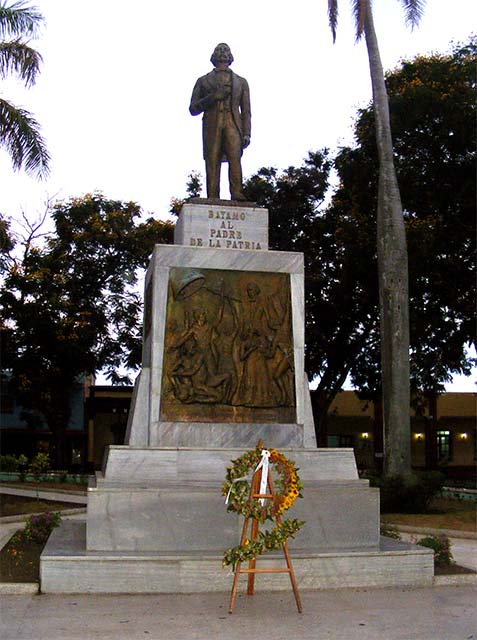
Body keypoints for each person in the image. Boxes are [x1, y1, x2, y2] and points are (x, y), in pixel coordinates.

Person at [189, 43, 251, 200]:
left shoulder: (241, 82)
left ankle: (236, 192)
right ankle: (213, 194)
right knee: (212, 158)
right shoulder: (203, 81)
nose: (222, 53)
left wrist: (247, 133)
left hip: (233, 123)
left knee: (234, 158)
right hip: (212, 124)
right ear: (213, 56)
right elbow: (193, 108)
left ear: (230, 57)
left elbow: (246, 110)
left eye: (226, 50)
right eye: (219, 50)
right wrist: (213, 97)